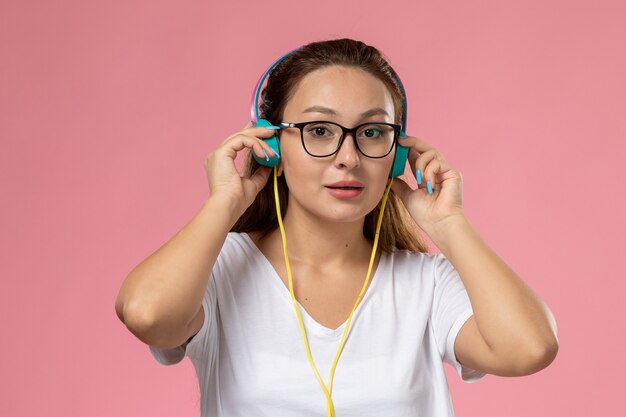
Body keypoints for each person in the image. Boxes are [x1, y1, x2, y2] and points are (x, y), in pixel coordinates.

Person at [115, 38, 559, 417]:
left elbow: (529, 348)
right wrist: (224, 202)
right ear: (270, 146)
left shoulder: (427, 285)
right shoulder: (218, 270)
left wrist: (449, 224)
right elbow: (148, 315)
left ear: (397, 154)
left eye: (371, 132)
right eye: (320, 130)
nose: (348, 157)